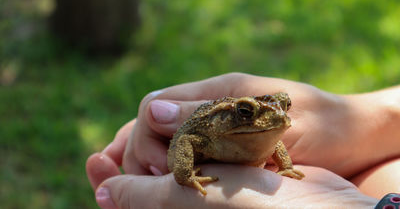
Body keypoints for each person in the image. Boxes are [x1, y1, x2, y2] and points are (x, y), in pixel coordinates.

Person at [86, 73, 400, 208]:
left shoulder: (272, 132)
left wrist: (286, 166)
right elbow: (187, 141)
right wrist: (184, 174)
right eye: (248, 112)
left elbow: (275, 142)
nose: (276, 117)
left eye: (284, 107)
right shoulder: (208, 133)